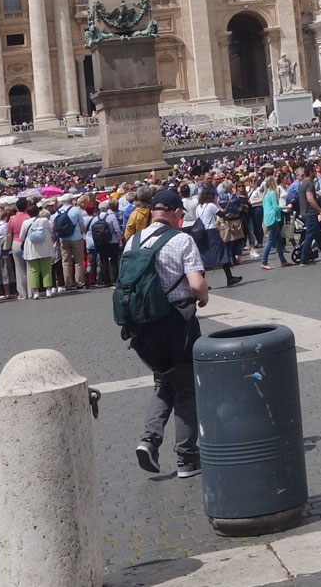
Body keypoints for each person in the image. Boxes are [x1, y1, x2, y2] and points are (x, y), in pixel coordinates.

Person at [122, 189, 210, 477]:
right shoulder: (181, 239)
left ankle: (149, 440)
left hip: (144, 328)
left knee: (163, 384)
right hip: (177, 324)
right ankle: (187, 459)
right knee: (186, 389)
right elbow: (196, 284)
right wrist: (204, 297)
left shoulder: (133, 241)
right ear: (175, 212)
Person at [21, 203, 57, 298]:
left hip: (31, 248)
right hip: (45, 247)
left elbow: (21, 236)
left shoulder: (25, 223)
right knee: (46, 270)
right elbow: (50, 231)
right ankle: (48, 290)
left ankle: (36, 292)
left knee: (33, 271)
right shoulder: (44, 220)